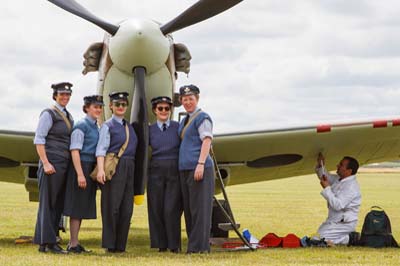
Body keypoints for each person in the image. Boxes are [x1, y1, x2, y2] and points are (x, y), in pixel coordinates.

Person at [33, 82, 74, 253]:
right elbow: (39, 139)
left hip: (62, 164)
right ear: (55, 96)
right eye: (61, 94)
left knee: (56, 203)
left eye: (67, 94)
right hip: (52, 163)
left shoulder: (68, 115)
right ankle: (48, 243)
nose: (65, 97)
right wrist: (46, 162)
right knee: (48, 203)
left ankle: (47, 242)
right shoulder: (49, 113)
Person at [95, 92, 138, 253]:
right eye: (117, 104)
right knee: (111, 207)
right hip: (114, 167)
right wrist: (100, 170)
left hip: (129, 167)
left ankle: (121, 245)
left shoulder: (130, 126)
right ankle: (109, 244)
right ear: (111, 106)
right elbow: (101, 149)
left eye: (123, 105)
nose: (121, 107)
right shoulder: (107, 126)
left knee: (127, 208)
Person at [63, 95, 104, 253]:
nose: (98, 110)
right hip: (80, 167)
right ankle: (73, 244)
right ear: (87, 108)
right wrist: (80, 174)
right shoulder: (81, 125)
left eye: (100, 107)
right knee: (76, 207)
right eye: (95, 107)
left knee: (80, 206)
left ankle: (75, 243)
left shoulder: (95, 126)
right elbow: (75, 150)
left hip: (89, 167)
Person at [178, 84, 215, 253]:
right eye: (184, 99)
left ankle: (200, 247)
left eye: (191, 99)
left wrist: (200, 164)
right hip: (185, 169)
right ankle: (193, 245)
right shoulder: (184, 120)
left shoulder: (202, 118)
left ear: (197, 99)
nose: (187, 102)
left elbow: (207, 140)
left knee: (200, 209)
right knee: (190, 209)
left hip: (199, 168)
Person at [147, 96, 182, 253]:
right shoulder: (149, 130)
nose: (163, 111)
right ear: (155, 110)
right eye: (160, 108)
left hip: (174, 170)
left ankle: (174, 245)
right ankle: (161, 244)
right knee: (156, 208)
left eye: (167, 108)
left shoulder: (178, 127)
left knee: (171, 208)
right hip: (155, 171)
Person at [314, 153, 361, 245]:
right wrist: (321, 165)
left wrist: (327, 188)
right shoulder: (340, 179)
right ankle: (347, 238)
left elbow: (338, 205)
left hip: (344, 223)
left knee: (317, 240)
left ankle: (349, 239)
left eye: (341, 165)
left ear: (349, 171)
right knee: (317, 238)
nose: (337, 166)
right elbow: (325, 176)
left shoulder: (351, 187)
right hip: (334, 221)